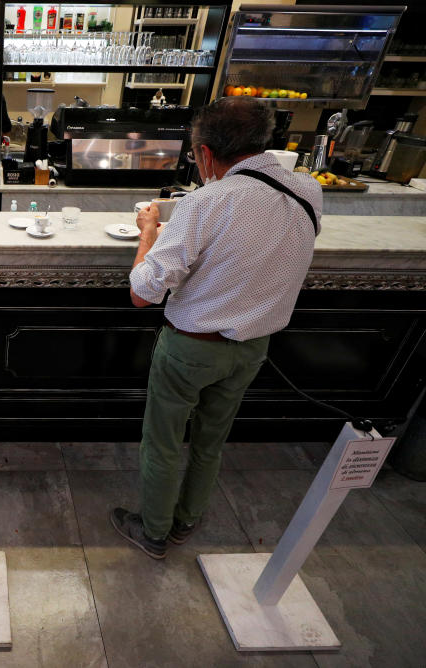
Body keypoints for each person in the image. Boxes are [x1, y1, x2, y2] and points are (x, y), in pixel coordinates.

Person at [112, 97, 322, 559]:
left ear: (205, 153)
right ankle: (187, 521)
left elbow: (142, 292)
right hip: (253, 346)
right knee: (212, 439)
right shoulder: (308, 191)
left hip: (192, 347)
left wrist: (150, 230)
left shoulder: (206, 202)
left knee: (164, 441)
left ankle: (153, 531)